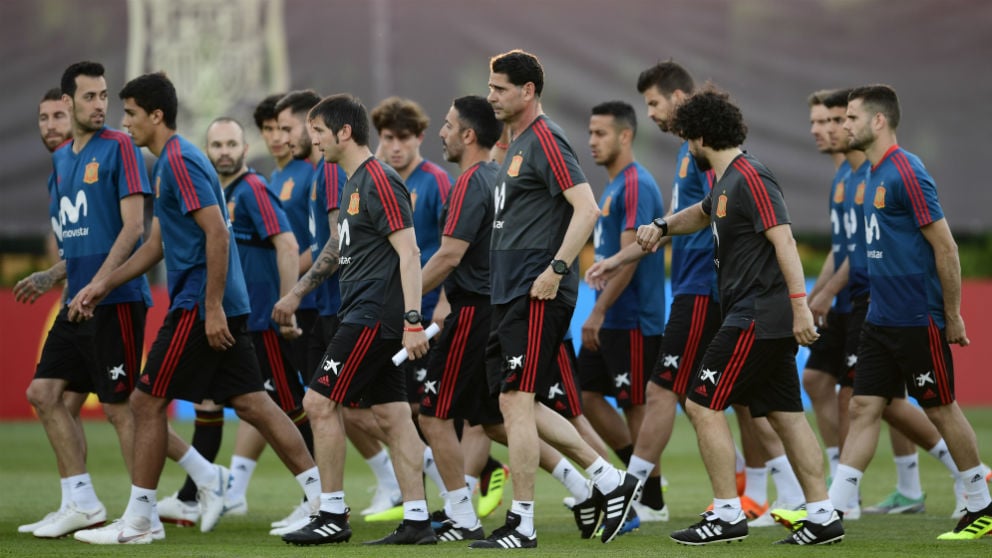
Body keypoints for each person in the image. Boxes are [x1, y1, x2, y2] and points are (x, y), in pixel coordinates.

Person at [68, 71, 320, 545]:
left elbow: (218, 234)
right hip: (212, 302)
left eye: (132, 114)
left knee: (145, 401)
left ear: (156, 115)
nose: (126, 124)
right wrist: (103, 283)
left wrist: (211, 308)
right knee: (255, 404)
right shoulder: (167, 164)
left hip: (199, 304)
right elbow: (155, 245)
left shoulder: (180, 161)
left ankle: (140, 522)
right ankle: (322, 501)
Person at [637, 88, 843, 546]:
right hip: (759, 315)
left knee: (700, 403)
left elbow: (784, 241)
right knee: (787, 414)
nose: (686, 146)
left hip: (756, 314)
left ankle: (727, 514)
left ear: (702, 135)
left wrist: (798, 306)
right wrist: (664, 225)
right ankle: (824, 514)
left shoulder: (751, 176)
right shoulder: (727, 180)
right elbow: (702, 213)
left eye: (688, 136)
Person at [472, 49, 639, 549]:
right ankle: (612, 481)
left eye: (500, 88)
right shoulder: (516, 142)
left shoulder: (545, 138)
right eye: (490, 86)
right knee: (511, 401)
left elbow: (587, 209)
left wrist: (556, 270)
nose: (491, 96)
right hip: (510, 292)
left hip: (536, 290)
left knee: (517, 402)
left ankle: (522, 523)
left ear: (528, 91)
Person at [826, 84, 992, 540]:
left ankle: (982, 504)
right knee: (863, 405)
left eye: (851, 118)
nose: (844, 126)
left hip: (917, 316)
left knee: (940, 408)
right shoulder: (872, 175)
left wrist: (952, 314)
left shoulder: (907, 172)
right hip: (880, 317)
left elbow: (946, 247)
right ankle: (831, 513)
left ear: (878, 121)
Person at [277, 93, 435, 546]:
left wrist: (411, 319)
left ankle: (331, 514)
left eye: (319, 133)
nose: (314, 143)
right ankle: (419, 520)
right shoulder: (350, 182)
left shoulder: (378, 180)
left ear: (344, 132)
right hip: (365, 312)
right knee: (393, 415)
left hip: (372, 317)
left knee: (318, 403)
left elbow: (410, 252)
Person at [15, 62, 152, 539]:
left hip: (116, 299)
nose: (100, 105)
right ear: (68, 102)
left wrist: (101, 283)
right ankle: (82, 502)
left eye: (104, 96)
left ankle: (143, 516)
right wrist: (61, 276)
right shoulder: (62, 161)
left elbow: (134, 228)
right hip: (79, 300)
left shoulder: (119, 147)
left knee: (121, 408)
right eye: (90, 97)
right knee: (43, 394)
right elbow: (79, 237)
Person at [416, 95, 502, 542]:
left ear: (469, 135)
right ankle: (595, 480)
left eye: (448, 126)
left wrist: (406, 300)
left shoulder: (470, 182)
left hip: (473, 311)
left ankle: (462, 517)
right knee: (497, 421)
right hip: (490, 309)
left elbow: (449, 255)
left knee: (432, 415)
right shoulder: (495, 177)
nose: (442, 134)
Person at [576, 100, 665, 483]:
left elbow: (630, 257)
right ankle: (636, 478)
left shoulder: (636, 184)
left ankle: (652, 496)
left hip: (631, 318)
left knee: (635, 404)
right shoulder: (614, 184)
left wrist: (596, 312)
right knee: (585, 396)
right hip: (611, 315)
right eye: (591, 132)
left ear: (625, 136)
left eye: (601, 133)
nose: (592, 141)